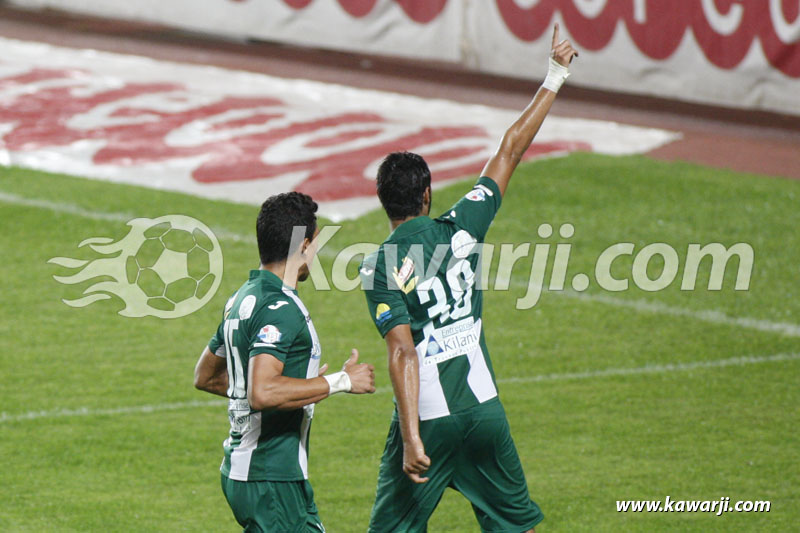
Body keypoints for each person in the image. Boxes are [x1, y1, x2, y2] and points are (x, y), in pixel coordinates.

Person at [359, 24, 578, 532]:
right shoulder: (462, 227)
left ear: (383, 202)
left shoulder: (380, 265)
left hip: (430, 417)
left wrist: (412, 437)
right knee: (511, 526)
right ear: (427, 196)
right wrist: (555, 75)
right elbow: (509, 151)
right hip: (484, 411)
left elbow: (401, 352)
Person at [194, 191, 376, 532]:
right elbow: (262, 392)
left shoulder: (242, 298)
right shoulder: (281, 309)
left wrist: (300, 387)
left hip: (257, 475)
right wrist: (341, 381)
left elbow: (206, 376)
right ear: (304, 243)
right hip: (270, 477)